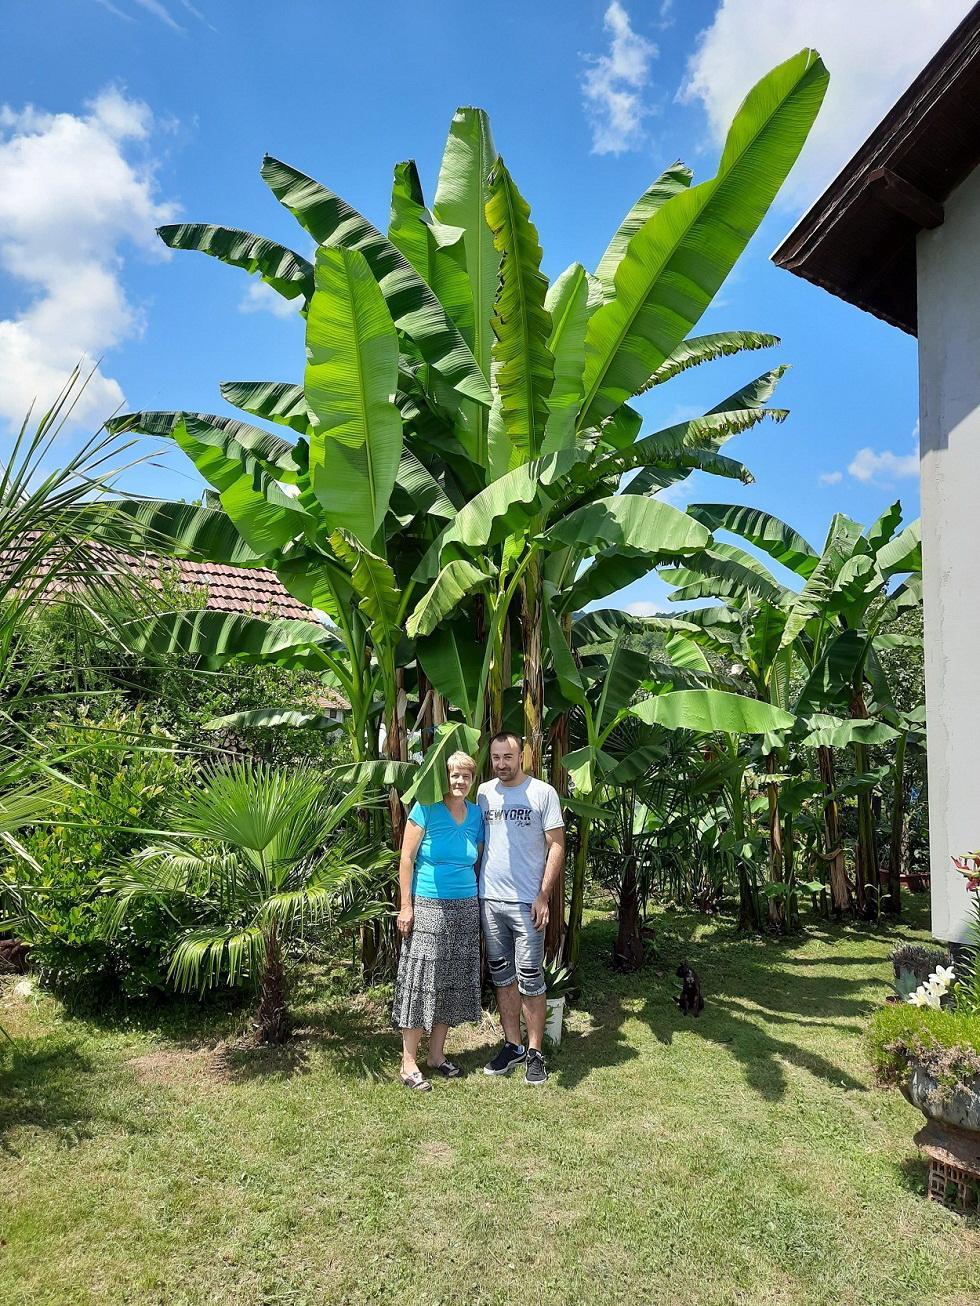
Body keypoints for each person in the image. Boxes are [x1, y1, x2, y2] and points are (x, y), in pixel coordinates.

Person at [391, 751, 484, 1091]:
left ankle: (436, 1055)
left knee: (450, 980)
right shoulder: (426, 809)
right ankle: (408, 1062)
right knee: (422, 980)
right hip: (428, 904)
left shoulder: (476, 815)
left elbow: (476, 858)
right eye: (454, 776)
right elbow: (406, 858)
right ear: (444, 778)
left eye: (466, 777)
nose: (460, 782)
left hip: (465, 906)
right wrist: (406, 905)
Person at [478, 731, 565, 1086]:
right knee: (502, 976)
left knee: (531, 977)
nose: (501, 763)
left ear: (522, 757)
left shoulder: (542, 793)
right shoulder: (483, 793)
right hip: (490, 901)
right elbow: (480, 844)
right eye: (496, 757)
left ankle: (535, 1052)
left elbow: (557, 845)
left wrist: (543, 895)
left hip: (527, 904)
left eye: (508, 757)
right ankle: (512, 1046)